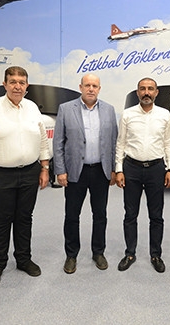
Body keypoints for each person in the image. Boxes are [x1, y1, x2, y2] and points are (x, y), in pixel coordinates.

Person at [0, 66, 51, 287]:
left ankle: (23, 259)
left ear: (27, 86)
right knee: (1, 220)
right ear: (4, 84)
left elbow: (43, 140)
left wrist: (45, 167)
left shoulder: (32, 108)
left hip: (29, 172)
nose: (17, 86)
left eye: (21, 82)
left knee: (24, 218)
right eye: (13, 82)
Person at [52, 73, 118, 274]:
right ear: (80, 87)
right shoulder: (66, 109)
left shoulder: (109, 110)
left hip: (100, 171)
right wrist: (60, 170)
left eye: (95, 86)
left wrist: (114, 169)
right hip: (75, 172)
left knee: (100, 215)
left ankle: (98, 252)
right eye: (87, 85)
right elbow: (58, 143)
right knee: (72, 215)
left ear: (99, 89)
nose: (91, 89)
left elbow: (113, 142)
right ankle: (71, 255)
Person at [115, 77, 170, 273]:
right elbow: (121, 143)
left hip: (156, 169)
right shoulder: (127, 114)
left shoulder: (164, 115)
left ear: (156, 92)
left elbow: (169, 143)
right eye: (142, 89)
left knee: (156, 216)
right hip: (131, 168)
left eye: (150, 89)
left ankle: (155, 254)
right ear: (137, 92)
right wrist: (119, 169)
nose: (146, 92)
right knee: (130, 214)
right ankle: (130, 253)